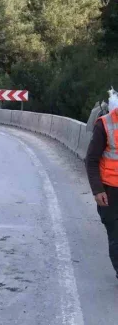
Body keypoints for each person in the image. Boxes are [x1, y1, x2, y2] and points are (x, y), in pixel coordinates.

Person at [86, 88, 118, 279]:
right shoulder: (105, 124)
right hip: (109, 190)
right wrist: (97, 190)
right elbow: (91, 160)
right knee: (116, 234)